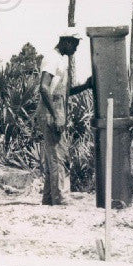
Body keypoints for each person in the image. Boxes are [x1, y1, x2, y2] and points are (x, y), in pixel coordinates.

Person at [33, 29, 93, 206]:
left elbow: (65, 93)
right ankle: (60, 199)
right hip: (52, 113)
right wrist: (56, 115)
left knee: (55, 157)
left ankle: (50, 199)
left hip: (56, 112)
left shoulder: (61, 60)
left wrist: (85, 86)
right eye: (75, 44)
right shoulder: (52, 58)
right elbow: (43, 88)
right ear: (66, 42)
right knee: (59, 158)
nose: (75, 48)